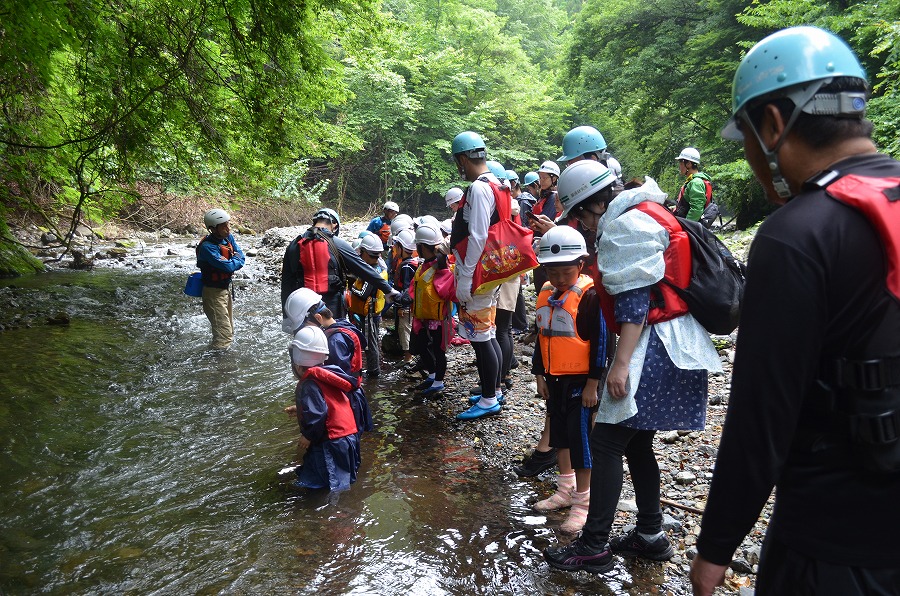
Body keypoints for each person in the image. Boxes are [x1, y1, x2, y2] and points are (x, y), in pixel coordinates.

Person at [690, 26, 900, 595]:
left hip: (834, 544)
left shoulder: (797, 235)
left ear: (775, 125)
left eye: (749, 137)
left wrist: (716, 547)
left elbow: (762, 415)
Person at [543, 162, 722, 573]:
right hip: (673, 344)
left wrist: (619, 365)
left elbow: (635, 300)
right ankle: (650, 534)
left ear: (595, 203)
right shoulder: (648, 210)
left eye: (581, 214)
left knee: (606, 441)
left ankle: (594, 545)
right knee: (638, 443)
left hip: (653, 348)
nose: (584, 223)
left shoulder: (624, 225)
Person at [531, 225, 607, 534]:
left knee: (580, 440)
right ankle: (564, 489)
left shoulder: (589, 298)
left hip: (580, 383)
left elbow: (602, 343)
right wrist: (539, 374)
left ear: (581, 265)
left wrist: (593, 384)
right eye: (553, 272)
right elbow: (541, 337)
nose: (560, 279)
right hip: (555, 379)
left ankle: (583, 503)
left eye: (566, 272)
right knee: (559, 436)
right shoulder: (547, 294)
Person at [448, 130, 506, 420]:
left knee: (481, 337)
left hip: (479, 273)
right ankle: (492, 390)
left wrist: (466, 277)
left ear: (462, 159)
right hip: (489, 272)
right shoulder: (498, 182)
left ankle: (488, 399)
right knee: (489, 333)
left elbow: (479, 234)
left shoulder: (481, 188)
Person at [281, 207, 397, 322]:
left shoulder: (294, 245)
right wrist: (388, 289)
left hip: (303, 306)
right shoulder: (337, 243)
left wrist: (286, 316)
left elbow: (286, 282)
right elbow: (363, 268)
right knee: (334, 337)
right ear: (334, 225)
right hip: (332, 306)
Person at [285, 325, 360, 492]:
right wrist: (300, 409)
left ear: (297, 365)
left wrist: (307, 435)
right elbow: (328, 403)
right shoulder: (329, 373)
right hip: (346, 436)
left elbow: (318, 413)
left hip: (331, 440)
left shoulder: (309, 383)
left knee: (332, 483)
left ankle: (336, 513)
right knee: (333, 475)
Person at [408, 223, 456, 397]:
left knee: (438, 350)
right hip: (423, 317)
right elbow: (415, 287)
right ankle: (433, 375)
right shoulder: (424, 265)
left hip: (439, 318)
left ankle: (438, 383)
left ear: (421, 247)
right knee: (422, 347)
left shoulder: (441, 267)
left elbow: (445, 290)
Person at [196, 208, 246, 349]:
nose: (228, 229)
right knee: (224, 337)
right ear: (213, 229)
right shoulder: (207, 247)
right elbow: (229, 267)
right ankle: (220, 367)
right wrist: (235, 261)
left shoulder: (227, 238)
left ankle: (219, 360)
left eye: (228, 224)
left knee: (229, 331)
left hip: (224, 290)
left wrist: (235, 261)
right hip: (213, 294)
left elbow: (241, 256)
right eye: (223, 226)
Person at [347, 233, 388, 378]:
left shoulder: (372, 272)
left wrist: (350, 287)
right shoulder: (376, 267)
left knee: (370, 344)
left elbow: (363, 293)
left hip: (370, 314)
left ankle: (373, 371)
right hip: (372, 313)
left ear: (365, 253)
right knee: (372, 341)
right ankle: (373, 369)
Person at [392, 227, 419, 365]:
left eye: (397, 246)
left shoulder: (406, 266)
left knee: (405, 330)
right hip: (411, 305)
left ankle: (408, 357)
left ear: (402, 247)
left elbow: (408, 288)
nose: (395, 248)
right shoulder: (413, 263)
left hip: (407, 306)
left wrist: (403, 306)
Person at [673, 147, 712, 222]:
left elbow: (697, 209)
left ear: (688, 164)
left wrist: (687, 226)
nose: (679, 166)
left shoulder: (696, 183)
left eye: (681, 163)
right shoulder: (692, 181)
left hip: (688, 225)